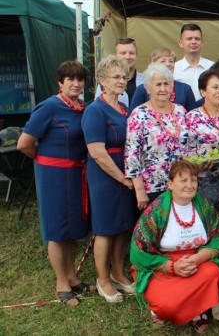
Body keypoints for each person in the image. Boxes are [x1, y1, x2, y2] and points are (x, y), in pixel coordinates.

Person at [17, 61, 94, 306]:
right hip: (54, 176)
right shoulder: (48, 107)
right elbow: (23, 143)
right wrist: (44, 161)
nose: (76, 83)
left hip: (77, 175)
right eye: (70, 79)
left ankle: (72, 277)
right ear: (60, 82)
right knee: (57, 229)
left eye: (80, 79)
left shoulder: (84, 108)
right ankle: (61, 282)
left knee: (72, 228)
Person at [130, 160, 219, 333]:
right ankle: (165, 309)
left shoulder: (204, 206)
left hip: (196, 263)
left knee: (212, 271)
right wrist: (171, 266)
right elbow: (138, 251)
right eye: (183, 180)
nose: (190, 185)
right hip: (162, 267)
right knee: (167, 306)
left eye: (194, 180)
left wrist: (198, 258)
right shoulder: (156, 211)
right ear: (170, 184)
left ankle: (198, 311)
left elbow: (216, 239)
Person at [82, 56, 137, 302]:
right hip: (106, 175)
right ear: (102, 80)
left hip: (126, 171)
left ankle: (118, 273)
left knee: (123, 226)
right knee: (105, 228)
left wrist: (130, 176)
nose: (122, 81)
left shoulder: (124, 109)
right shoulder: (94, 110)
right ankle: (103, 278)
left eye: (124, 77)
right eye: (116, 76)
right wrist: (122, 179)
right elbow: (97, 153)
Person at [125, 63, 189, 206]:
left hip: (182, 184)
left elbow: (189, 145)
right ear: (148, 88)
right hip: (153, 188)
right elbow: (132, 154)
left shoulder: (180, 111)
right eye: (158, 84)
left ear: (172, 86)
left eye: (166, 84)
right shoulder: (139, 114)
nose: (162, 89)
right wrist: (139, 190)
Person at [185, 68, 219, 208]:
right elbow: (187, 151)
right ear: (203, 91)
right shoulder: (193, 117)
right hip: (206, 181)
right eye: (215, 87)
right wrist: (197, 165)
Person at [129, 47, 196, 112]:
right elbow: (132, 116)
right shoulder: (143, 88)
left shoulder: (185, 88)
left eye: (171, 61)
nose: (168, 64)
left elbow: (193, 116)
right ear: (153, 64)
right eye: (163, 61)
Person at [95, 37, 144, 107]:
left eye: (132, 53)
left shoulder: (146, 81)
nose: (128, 57)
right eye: (123, 53)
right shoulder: (105, 83)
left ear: (136, 55)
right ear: (115, 55)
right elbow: (98, 108)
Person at [174, 23, 214, 100]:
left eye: (197, 38)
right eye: (189, 38)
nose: (193, 42)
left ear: (202, 43)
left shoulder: (213, 67)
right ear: (180, 43)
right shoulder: (174, 69)